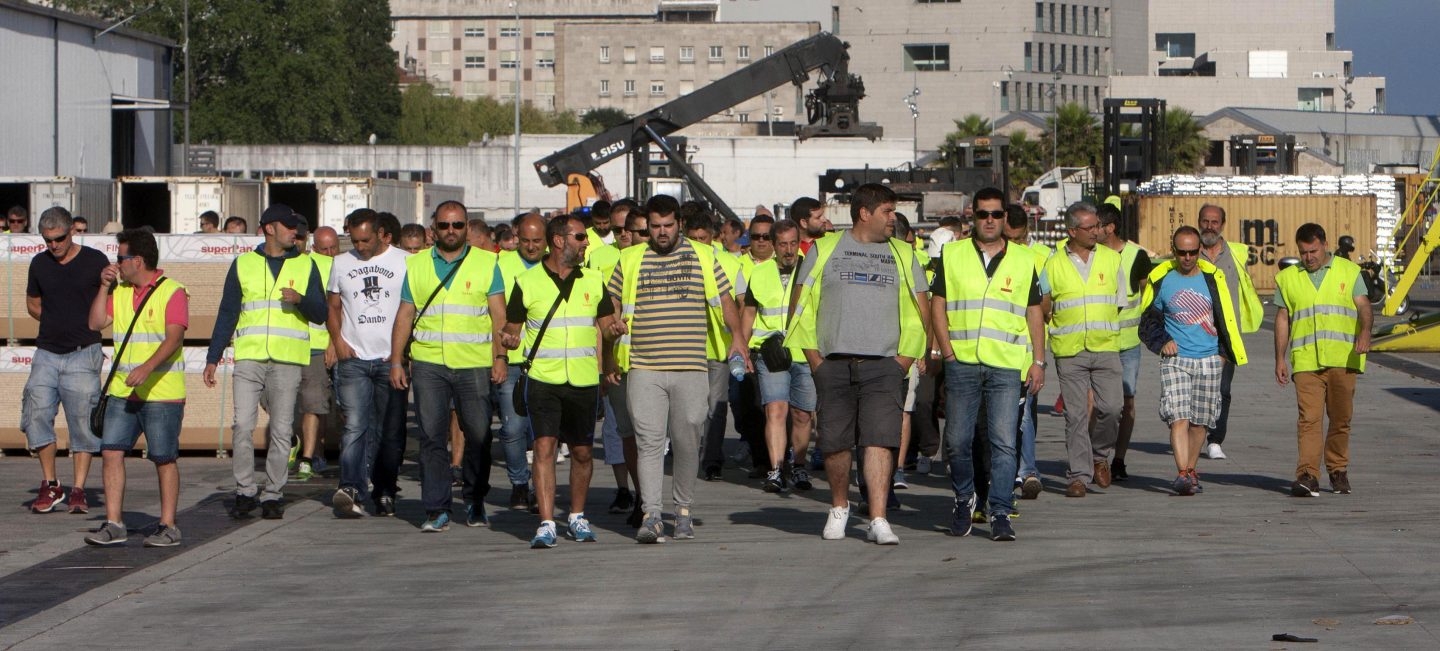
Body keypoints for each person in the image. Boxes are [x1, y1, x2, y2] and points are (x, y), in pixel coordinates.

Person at [789, 183, 929, 545]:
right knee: (835, 443)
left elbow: (920, 309)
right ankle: (839, 506)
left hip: (885, 364)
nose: (893, 218)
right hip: (833, 362)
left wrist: (903, 361)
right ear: (864, 213)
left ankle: (878, 517)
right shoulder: (824, 249)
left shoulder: (903, 253)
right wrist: (815, 360)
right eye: (887, 211)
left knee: (879, 441)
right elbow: (800, 306)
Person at [607, 194, 745, 543]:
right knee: (649, 441)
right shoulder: (630, 259)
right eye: (655, 226)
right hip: (644, 367)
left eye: (668, 225)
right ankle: (652, 514)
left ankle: (682, 510)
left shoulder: (703, 256)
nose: (662, 232)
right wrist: (611, 329)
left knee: (686, 441)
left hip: (690, 367)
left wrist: (738, 339)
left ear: (679, 224)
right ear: (647, 227)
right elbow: (610, 307)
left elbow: (725, 302)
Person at [929, 188, 1044, 541]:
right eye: (983, 214)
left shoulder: (1024, 260)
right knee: (958, 441)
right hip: (962, 362)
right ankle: (965, 498)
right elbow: (937, 305)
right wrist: (947, 352)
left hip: (1006, 365)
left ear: (1004, 218)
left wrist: (1038, 360)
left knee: (1004, 442)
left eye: (996, 214)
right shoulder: (953, 255)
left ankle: (999, 510)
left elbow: (1034, 311)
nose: (990, 220)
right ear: (971, 216)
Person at [205, 205, 328, 520]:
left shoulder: (306, 265)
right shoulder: (243, 264)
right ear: (270, 228)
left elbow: (321, 313)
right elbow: (228, 312)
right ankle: (245, 491)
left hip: (287, 360)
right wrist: (213, 355)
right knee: (242, 425)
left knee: (282, 429)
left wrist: (301, 300)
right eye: (289, 227)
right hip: (250, 357)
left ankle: (273, 493)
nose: (295, 233)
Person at [390, 201, 507, 531]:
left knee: (479, 436)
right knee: (431, 437)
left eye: (457, 225)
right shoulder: (417, 265)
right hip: (429, 364)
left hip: (474, 364)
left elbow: (500, 317)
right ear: (433, 229)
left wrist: (500, 358)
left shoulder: (487, 262)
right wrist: (397, 360)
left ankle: (474, 499)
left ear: (467, 227)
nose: (451, 231)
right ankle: (436, 508)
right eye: (444, 226)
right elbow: (404, 316)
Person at [501, 214, 613, 547]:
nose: (586, 243)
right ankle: (547, 522)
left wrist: (614, 332)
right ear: (560, 240)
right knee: (544, 447)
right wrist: (507, 341)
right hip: (543, 379)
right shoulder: (526, 281)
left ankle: (577, 516)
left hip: (581, 380)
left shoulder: (594, 281)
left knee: (581, 452)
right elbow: (513, 330)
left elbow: (606, 326)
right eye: (580, 237)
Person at [82, 228, 189, 547]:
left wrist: (147, 368)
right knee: (111, 451)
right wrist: (103, 287)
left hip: (162, 393)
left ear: (137, 260)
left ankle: (168, 525)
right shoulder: (122, 291)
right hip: (121, 391)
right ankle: (114, 523)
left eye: (120, 257)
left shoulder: (173, 291)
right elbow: (94, 323)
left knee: (163, 457)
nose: (117, 263)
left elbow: (174, 338)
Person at [1138, 226, 1247, 496]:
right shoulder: (1162, 278)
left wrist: (1223, 355)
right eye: (1181, 252)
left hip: (1209, 359)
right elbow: (1148, 320)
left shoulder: (1213, 278)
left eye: (1192, 252)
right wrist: (1162, 341)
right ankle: (1183, 473)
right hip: (1176, 360)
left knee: (1200, 422)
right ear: (1173, 251)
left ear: (1200, 251)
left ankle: (1191, 469)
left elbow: (1225, 320)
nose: (1187, 258)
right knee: (1178, 417)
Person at [1273, 223, 1370, 497]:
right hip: (1306, 362)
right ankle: (1307, 475)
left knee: (1340, 419)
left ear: (1324, 244)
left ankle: (1338, 470)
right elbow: (1283, 318)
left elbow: (1364, 306)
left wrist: (1365, 332)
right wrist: (1279, 358)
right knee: (1309, 419)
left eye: (1313, 251)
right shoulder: (1288, 278)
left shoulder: (1349, 272)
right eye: (1303, 253)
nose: (1308, 258)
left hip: (1343, 358)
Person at [23, 206, 110, 514]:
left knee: (82, 423)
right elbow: (33, 302)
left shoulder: (95, 261)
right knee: (35, 414)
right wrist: (53, 319)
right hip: (46, 352)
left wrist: (95, 322)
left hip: (83, 353)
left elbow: (110, 301)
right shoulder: (39, 263)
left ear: (72, 231)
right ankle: (50, 484)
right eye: (47, 240)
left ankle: (79, 489)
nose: (53, 246)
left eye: (58, 239)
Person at [325, 209, 409, 518]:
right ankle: (351, 488)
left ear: (380, 234)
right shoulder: (341, 263)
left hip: (391, 360)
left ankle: (385, 489)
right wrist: (339, 341)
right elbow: (332, 306)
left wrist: (402, 352)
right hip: (354, 360)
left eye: (365, 240)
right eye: (354, 240)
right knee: (355, 426)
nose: (359, 246)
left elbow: (410, 309)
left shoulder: (403, 262)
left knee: (389, 431)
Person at [1041, 202, 1126, 498]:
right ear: (1072, 230)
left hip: (1106, 346)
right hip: (1070, 349)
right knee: (1075, 415)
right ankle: (1078, 475)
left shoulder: (1112, 260)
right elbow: (1045, 306)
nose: (1096, 232)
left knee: (1113, 408)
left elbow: (1117, 301)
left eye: (1098, 226)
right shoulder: (1052, 263)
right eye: (1089, 228)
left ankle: (1100, 454)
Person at [742, 218, 815, 493]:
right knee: (775, 409)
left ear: (799, 243)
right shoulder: (760, 273)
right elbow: (749, 312)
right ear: (773, 245)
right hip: (770, 352)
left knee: (802, 415)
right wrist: (744, 349)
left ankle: (797, 465)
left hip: (805, 351)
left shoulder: (811, 271)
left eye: (793, 243)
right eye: (782, 244)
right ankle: (775, 470)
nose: (788, 250)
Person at [681, 203, 748, 493]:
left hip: (718, 349)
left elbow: (744, 304)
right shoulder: (675, 264)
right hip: (684, 349)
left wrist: (739, 341)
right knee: (687, 410)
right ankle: (687, 455)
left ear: (714, 238)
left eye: (704, 239)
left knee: (716, 408)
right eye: (693, 240)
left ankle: (711, 460)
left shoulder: (731, 265)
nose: (699, 245)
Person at [1197, 203, 1264, 460]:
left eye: (1214, 222)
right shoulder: (1190, 253)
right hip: (1196, 334)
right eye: (1205, 221)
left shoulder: (1236, 254)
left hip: (1226, 334)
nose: (1209, 227)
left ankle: (1215, 440)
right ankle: (1194, 433)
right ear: (1199, 221)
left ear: (1222, 225)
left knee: (1222, 389)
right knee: (1198, 389)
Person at [584, 210, 639, 516]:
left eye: (627, 230)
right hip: (614, 356)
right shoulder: (600, 257)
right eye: (617, 231)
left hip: (646, 358)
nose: (623, 236)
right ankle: (623, 489)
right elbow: (598, 315)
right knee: (615, 430)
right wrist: (601, 362)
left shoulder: (649, 260)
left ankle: (646, 494)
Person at [495, 214, 547, 511]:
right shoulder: (501, 265)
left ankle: (543, 488)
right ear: (516, 236)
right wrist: (497, 358)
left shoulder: (557, 266)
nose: (529, 247)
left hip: (547, 362)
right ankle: (518, 483)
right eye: (524, 241)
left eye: (536, 241)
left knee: (544, 431)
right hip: (512, 360)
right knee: (513, 428)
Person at [1098, 200, 1153, 481]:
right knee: (1097, 405)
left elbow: (1148, 294)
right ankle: (1097, 457)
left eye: (1097, 226)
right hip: (1097, 342)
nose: (1093, 231)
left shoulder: (1136, 256)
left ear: (1110, 227)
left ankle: (1118, 459)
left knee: (1126, 403)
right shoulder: (1090, 256)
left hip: (1128, 345)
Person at [1003, 205, 1052, 498]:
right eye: (1010, 238)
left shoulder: (1035, 259)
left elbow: (1043, 308)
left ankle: (1028, 470)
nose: (1015, 245)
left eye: (1019, 239)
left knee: (1025, 415)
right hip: (990, 351)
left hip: (1023, 351)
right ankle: (1007, 470)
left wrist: (1039, 359)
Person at [295, 226, 339, 481]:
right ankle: (311, 453)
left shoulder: (337, 266)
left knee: (322, 403)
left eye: (335, 247)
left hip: (330, 344)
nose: (331, 253)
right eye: (325, 249)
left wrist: (333, 343)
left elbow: (341, 311)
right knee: (313, 403)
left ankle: (316, 454)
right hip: (303, 345)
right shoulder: (307, 266)